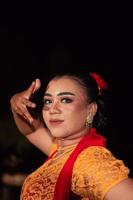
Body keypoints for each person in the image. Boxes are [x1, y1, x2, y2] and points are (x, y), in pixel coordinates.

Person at [10, 71, 133, 200]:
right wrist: (15, 102)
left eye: (65, 100)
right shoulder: (63, 151)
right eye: (48, 101)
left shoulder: (88, 161)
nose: (53, 109)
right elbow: (33, 130)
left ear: (90, 109)